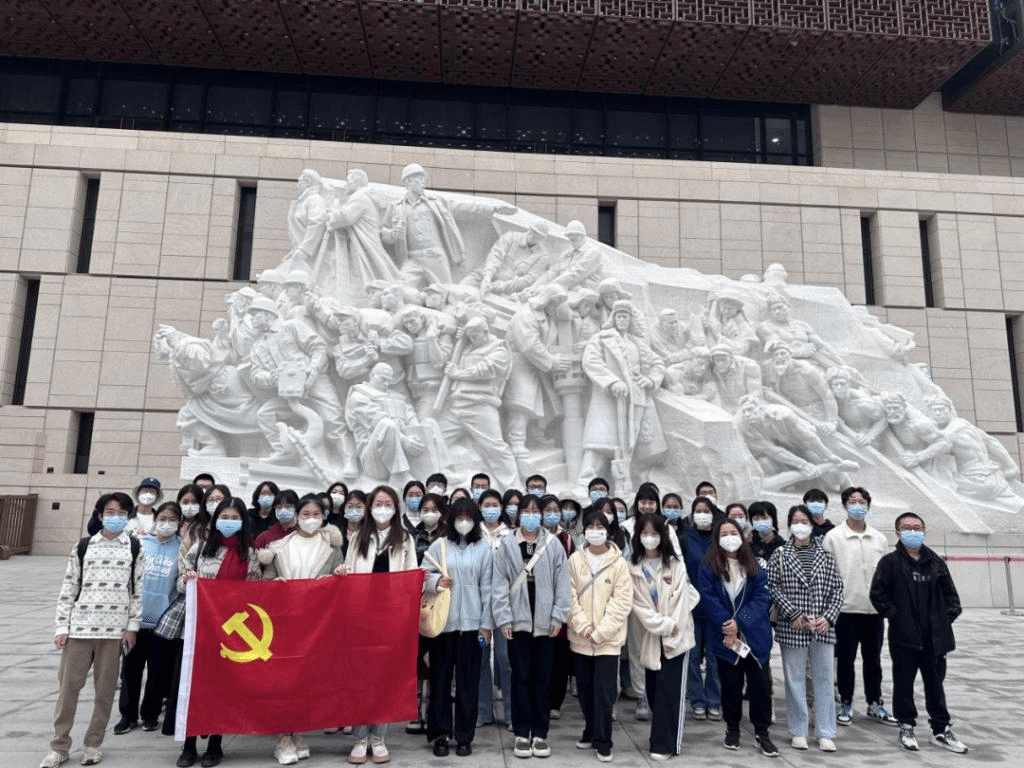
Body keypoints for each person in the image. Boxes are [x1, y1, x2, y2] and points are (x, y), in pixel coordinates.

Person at [40, 493, 144, 768]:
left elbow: (137, 591)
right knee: (68, 691)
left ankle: (93, 744)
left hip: (113, 632)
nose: (115, 517)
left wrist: (132, 627)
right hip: (80, 629)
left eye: (121, 513)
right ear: (99, 515)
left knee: (104, 692)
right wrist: (62, 626)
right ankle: (59, 746)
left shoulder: (135, 548)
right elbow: (68, 587)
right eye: (110, 512)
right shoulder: (84, 546)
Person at [870, 512, 967, 754]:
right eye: (907, 528)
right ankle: (906, 726)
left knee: (936, 685)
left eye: (917, 527)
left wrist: (942, 622)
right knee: (903, 684)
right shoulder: (890, 563)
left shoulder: (935, 562)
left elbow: (952, 598)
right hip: (904, 637)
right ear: (897, 532)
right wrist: (896, 616)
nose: (912, 532)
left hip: (935, 639)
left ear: (924, 531)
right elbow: (878, 594)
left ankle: (941, 730)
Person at [178, 497, 262, 768]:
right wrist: (187, 580)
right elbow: (181, 583)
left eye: (234, 518)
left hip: (231, 631)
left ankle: (215, 744)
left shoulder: (249, 553)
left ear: (243, 522)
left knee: (222, 689)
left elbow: (254, 590)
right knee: (194, 688)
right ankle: (189, 744)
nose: (229, 522)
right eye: (224, 517)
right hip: (199, 628)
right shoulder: (201, 548)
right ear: (216, 520)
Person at [261, 496, 345, 764]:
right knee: (283, 682)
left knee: (305, 683)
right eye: (305, 513)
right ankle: (283, 738)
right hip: (285, 622)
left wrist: (337, 577)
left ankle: (296, 732)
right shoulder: (279, 547)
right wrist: (277, 584)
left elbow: (339, 584)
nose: (311, 518)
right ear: (297, 516)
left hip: (316, 623)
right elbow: (266, 582)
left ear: (324, 516)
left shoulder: (331, 547)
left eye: (316, 513)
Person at [341, 485, 419, 764]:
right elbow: (349, 572)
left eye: (388, 504)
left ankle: (379, 738)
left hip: (391, 617)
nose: (382, 508)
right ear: (369, 507)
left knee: (386, 679)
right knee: (361, 678)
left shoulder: (405, 538)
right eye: (378, 503)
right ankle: (360, 738)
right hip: (362, 617)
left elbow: (412, 579)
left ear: (396, 508)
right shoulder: (358, 537)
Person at [491, 493, 571, 759]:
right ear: (518, 514)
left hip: (545, 620)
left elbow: (563, 583)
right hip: (517, 620)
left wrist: (558, 617)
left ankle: (540, 734)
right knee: (520, 677)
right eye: (526, 510)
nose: (531, 515)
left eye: (536, 511)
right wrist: (503, 618)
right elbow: (499, 584)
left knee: (542, 680)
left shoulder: (553, 544)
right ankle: (521, 733)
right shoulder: (507, 544)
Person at [696, 519, 778, 758]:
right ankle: (732, 729)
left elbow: (762, 598)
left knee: (760, 688)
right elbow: (709, 599)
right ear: (717, 539)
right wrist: (728, 625)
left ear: (742, 537)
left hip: (755, 638)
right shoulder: (708, 567)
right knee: (730, 687)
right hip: (726, 639)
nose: (729, 537)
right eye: (724, 533)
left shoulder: (755, 566)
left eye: (733, 532)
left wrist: (740, 622)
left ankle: (762, 733)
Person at [767, 505, 844, 752]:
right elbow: (772, 586)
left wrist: (828, 618)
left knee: (824, 679)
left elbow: (837, 590)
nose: (800, 526)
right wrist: (792, 612)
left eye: (804, 521)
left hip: (822, 627)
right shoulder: (780, 554)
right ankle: (798, 729)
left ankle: (825, 731)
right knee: (795, 680)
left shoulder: (826, 554)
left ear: (812, 524)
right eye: (795, 521)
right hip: (793, 626)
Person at [422, 498, 494, 757]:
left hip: (472, 628)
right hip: (443, 625)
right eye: (459, 517)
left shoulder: (484, 550)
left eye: (469, 517)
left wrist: (486, 625)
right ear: (451, 520)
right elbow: (422, 576)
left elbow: (488, 589)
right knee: (440, 681)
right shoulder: (439, 545)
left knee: (468, 684)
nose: (464, 522)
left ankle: (464, 736)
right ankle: (440, 734)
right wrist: (436, 582)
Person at [822, 487, 897, 727]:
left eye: (861, 501)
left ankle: (875, 703)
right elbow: (826, 574)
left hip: (874, 612)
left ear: (868, 505)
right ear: (845, 505)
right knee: (845, 661)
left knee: (873, 660)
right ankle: (846, 702)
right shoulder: (833, 537)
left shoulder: (879, 538)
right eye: (852, 501)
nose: (857, 505)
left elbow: (886, 575)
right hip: (845, 610)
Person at [629, 514, 700, 760]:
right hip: (650, 637)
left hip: (677, 638)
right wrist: (664, 625)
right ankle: (659, 734)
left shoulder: (675, 565)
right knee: (653, 690)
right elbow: (640, 607)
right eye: (644, 533)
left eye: (654, 533)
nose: (649, 538)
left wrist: (672, 626)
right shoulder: (632, 568)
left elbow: (683, 600)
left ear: (663, 536)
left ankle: (666, 744)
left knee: (670, 692)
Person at [567, 510, 633, 762]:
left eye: (600, 526)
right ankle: (590, 730)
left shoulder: (619, 563)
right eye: (590, 527)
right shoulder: (575, 560)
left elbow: (622, 602)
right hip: (581, 638)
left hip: (608, 641)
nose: (595, 531)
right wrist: (584, 627)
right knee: (584, 690)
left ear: (608, 531)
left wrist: (602, 631)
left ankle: (604, 740)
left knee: (604, 692)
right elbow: (569, 596)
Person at [114, 501, 182, 736]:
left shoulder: (182, 548)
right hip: (136, 620)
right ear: (155, 520)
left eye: (172, 520)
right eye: (162, 518)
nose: (166, 523)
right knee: (130, 670)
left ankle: (150, 714)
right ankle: (127, 715)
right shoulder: (140, 544)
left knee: (158, 672)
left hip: (163, 622)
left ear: (179, 523)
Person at [682, 496, 722, 722]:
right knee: (693, 657)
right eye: (698, 510)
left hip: (716, 609)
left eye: (706, 511)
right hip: (692, 609)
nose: (702, 515)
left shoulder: (720, 538)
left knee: (715, 658)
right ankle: (697, 700)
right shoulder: (685, 538)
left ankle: (714, 700)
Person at [477, 489, 513, 727]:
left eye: (494, 504)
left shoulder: (510, 535)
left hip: (504, 605)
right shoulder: (473, 534)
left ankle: (511, 714)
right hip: (479, 607)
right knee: (480, 659)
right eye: (486, 505)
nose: (491, 509)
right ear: (480, 508)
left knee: (505, 658)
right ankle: (484, 712)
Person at [747, 501, 783, 566]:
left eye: (764, 518)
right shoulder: (748, 547)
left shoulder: (784, 546)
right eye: (756, 519)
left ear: (773, 519)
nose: (761, 521)